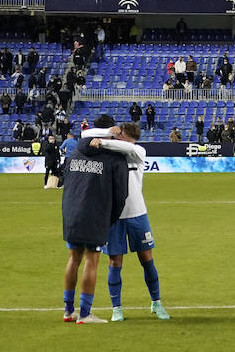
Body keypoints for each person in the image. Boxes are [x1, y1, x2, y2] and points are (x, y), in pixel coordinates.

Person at [84, 123, 170, 321]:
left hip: (138, 213)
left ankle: (156, 303)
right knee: (115, 262)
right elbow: (84, 134)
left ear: (123, 135)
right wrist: (107, 132)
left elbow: (127, 147)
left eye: (117, 135)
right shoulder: (110, 152)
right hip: (114, 216)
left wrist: (103, 142)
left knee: (147, 259)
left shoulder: (138, 151)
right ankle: (117, 308)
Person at [60, 115, 128, 324]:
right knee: (92, 260)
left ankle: (68, 310)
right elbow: (121, 195)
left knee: (73, 259)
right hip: (96, 215)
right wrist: (111, 218)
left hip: (72, 213)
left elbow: (66, 183)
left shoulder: (75, 152)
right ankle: (85, 312)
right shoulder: (114, 158)